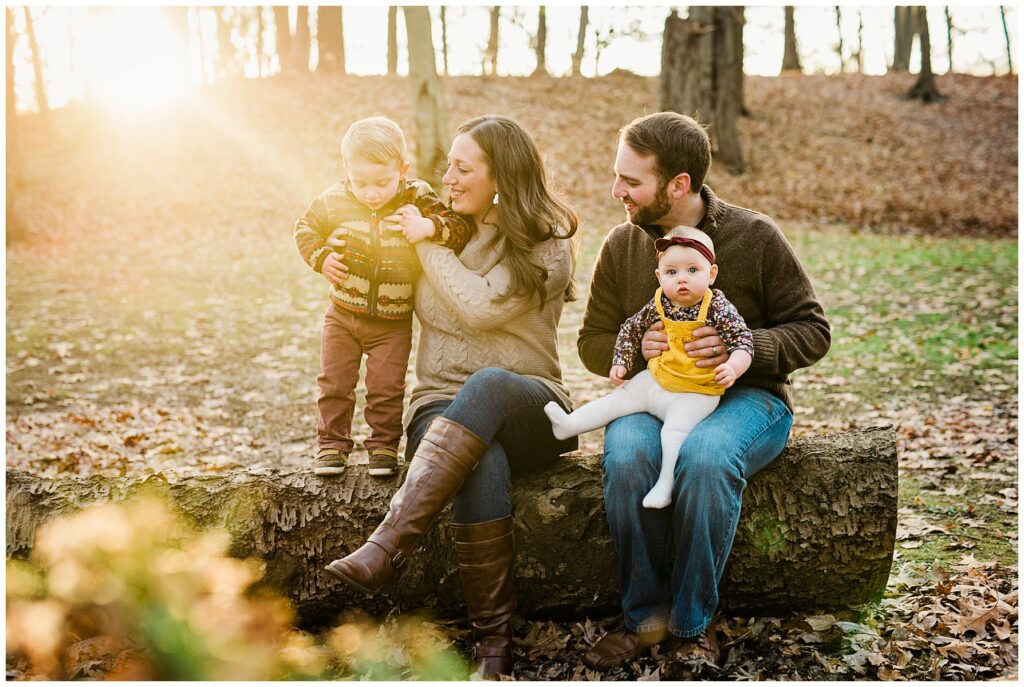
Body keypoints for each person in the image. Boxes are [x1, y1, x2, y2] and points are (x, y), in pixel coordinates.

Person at [324, 115, 579, 678]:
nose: (450, 178)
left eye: (464, 168)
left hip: (530, 403)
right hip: (438, 406)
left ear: (502, 178)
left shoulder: (545, 243)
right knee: (479, 457)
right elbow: (363, 267)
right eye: (449, 166)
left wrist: (426, 245)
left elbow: (481, 306)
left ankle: (387, 544)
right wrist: (334, 259)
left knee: (486, 383)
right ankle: (494, 646)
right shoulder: (433, 224)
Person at [577, 112, 830, 669]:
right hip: (658, 393)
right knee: (627, 455)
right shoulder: (621, 247)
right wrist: (631, 348)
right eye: (617, 176)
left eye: (631, 180)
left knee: (708, 456)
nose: (616, 190)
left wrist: (747, 351)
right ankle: (643, 618)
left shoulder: (755, 236)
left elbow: (813, 331)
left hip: (750, 400)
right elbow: (592, 341)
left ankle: (693, 623)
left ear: (679, 184)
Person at [294, 116, 472, 479]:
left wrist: (427, 226)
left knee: (386, 387)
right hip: (342, 313)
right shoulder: (335, 199)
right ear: (347, 171)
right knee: (334, 381)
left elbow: (459, 228)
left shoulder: (418, 196)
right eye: (361, 182)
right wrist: (322, 258)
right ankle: (331, 445)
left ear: (402, 171)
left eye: (382, 182)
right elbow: (304, 229)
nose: (371, 193)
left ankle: (382, 447)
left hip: (393, 321)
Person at [545, 225, 753, 509]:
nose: (682, 279)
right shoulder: (659, 304)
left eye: (693, 270)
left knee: (674, 432)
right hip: (658, 379)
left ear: (711, 273)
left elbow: (743, 342)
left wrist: (733, 367)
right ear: (659, 277)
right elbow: (630, 330)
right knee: (618, 399)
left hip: (696, 391)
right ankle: (569, 425)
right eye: (672, 272)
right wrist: (621, 361)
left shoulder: (717, 308)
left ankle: (665, 484)